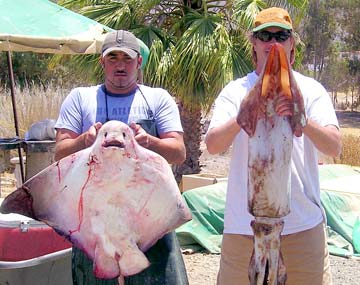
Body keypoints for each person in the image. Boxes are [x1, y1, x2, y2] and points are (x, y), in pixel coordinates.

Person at [205, 7, 342, 285]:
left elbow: (333, 146)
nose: (273, 42)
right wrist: (241, 118)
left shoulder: (311, 90)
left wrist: (302, 120)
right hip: (243, 228)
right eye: (265, 35)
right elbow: (213, 145)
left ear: (292, 42)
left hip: (303, 228)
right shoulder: (235, 91)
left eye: (281, 35)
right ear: (253, 43)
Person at [54, 29, 188, 285]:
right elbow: (59, 153)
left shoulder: (157, 98)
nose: (120, 65)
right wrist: (86, 141)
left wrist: (150, 142)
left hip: (148, 219)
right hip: (95, 223)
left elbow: (178, 152)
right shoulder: (80, 98)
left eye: (127, 59)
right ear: (102, 62)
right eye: (113, 58)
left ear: (139, 62)